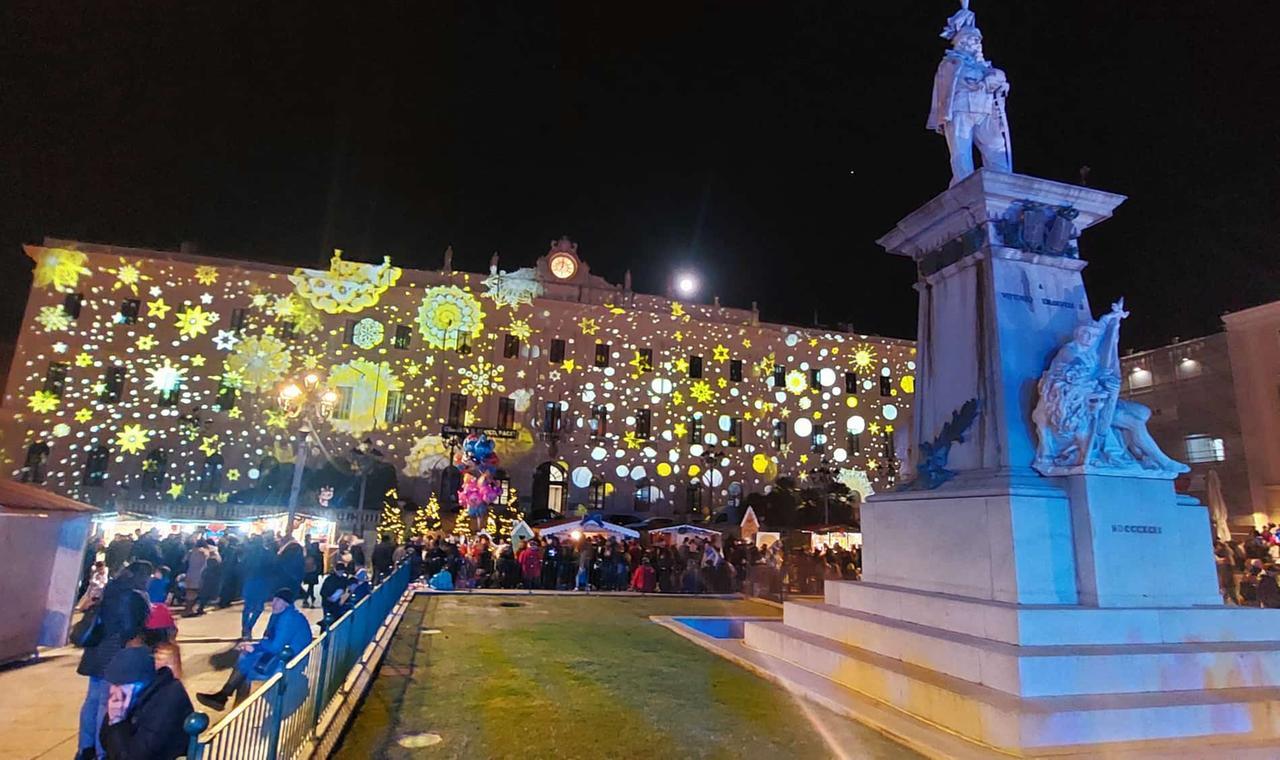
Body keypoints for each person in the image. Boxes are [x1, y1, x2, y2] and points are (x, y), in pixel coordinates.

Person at [77, 562, 152, 758]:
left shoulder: (111, 588)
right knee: (106, 704)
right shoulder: (134, 595)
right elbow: (129, 628)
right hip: (115, 653)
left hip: (96, 651)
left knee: (92, 702)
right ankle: (102, 752)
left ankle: (85, 748)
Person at [196, 588, 313, 711]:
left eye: (278, 600)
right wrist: (254, 647)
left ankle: (227, 699)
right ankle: (233, 704)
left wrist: (254, 647)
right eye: (274, 599)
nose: (273, 603)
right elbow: (270, 641)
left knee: (245, 661)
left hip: (291, 660)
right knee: (245, 660)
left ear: (286, 604)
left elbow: (276, 646)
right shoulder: (280, 615)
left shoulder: (288, 618)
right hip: (283, 655)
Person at [97, 646, 193, 760]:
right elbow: (105, 741)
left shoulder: (167, 702)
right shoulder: (137, 696)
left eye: (119, 685)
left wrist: (117, 721)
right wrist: (113, 719)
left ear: (139, 683)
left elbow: (135, 757)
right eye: (113, 685)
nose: (114, 691)